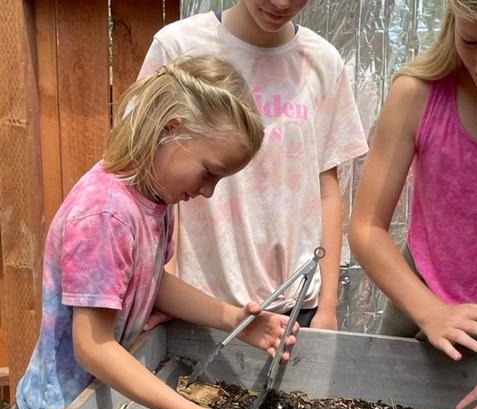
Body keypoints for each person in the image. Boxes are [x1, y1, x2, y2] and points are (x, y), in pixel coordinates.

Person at [13, 54, 299, 409]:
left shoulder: (154, 197)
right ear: (171, 130)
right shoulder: (106, 215)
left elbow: (152, 280)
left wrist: (237, 321)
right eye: (209, 172)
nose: (208, 192)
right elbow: (92, 347)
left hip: (95, 402)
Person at [137, 0, 368, 330]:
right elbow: (149, 174)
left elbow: (327, 188)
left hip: (296, 306)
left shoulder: (323, 62)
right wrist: (167, 286)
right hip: (198, 306)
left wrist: (327, 307)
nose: (281, 3)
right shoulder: (178, 46)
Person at [348, 0, 477, 364]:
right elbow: (366, 226)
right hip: (418, 296)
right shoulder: (417, 95)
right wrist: (429, 310)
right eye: (471, 42)